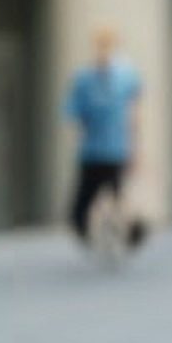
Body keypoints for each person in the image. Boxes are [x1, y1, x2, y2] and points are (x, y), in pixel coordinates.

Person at [63, 25, 144, 250]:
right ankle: (100, 230)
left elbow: (133, 115)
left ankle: (127, 229)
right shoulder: (86, 79)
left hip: (109, 149)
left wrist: (135, 149)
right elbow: (75, 115)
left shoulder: (122, 76)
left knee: (111, 195)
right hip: (98, 150)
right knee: (96, 197)